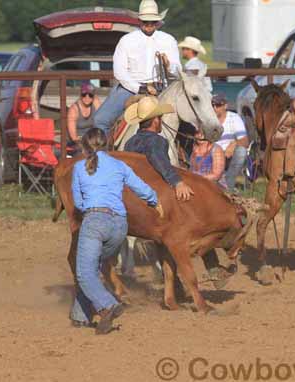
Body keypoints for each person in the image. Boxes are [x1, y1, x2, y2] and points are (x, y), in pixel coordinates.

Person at [71, 128, 162, 334]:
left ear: (85, 147)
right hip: (120, 226)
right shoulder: (120, 165)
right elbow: (141, 188)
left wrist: (90, 209)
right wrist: (155, 201)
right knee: (91, 267)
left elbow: (78, 202)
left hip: (95, 221)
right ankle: (80, 316)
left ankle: (109, 305)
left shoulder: (78, 168)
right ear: (107, 145)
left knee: (84, 272)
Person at [93, 0, 182, 135]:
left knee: (188, 120)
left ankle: (188, 154)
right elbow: (120, 72)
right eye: (146, 21)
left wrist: (169, 66)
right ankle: (104, 154)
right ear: (139, 20)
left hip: (162, 87)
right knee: (101, 120)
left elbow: (177, 69)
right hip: (130, 88)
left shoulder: (168, 40)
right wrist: (141, 88)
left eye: (152, 22)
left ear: (157, 22)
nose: (149, 25)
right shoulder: (127, 40)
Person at [123, 96, 194, 201]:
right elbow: (158, 159)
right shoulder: (156, 140)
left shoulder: (130, 142)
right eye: (160, 117)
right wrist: (177, 182)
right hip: (152, 191)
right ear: (156, 120)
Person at [212, 93, 248, 192]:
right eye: (212, 105)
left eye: (218, 105)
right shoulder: (208, 119)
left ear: (225, 106)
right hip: (212, 153)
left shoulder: (234, 118)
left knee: (241, 151)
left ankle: (228, 184)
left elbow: (245, 141)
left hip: (229, 154)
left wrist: (234, 143)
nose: (215, 108)